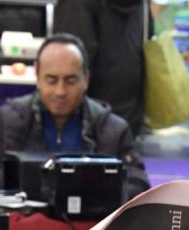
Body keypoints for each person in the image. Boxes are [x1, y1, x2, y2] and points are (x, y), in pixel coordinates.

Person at [0, 33, 150, 200]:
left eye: (70, 80)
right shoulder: (6, 120)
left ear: (85, 79)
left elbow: (140, 188)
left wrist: (93, 181)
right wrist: (24, 175)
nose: (60, 91)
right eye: (51, 80)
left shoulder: (113, 130)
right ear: (37, 76)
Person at [53, 0, 148, 136]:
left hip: (89, 125)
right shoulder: (141, 5)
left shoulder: (75, 5)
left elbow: (68, 68)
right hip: (128, 119)